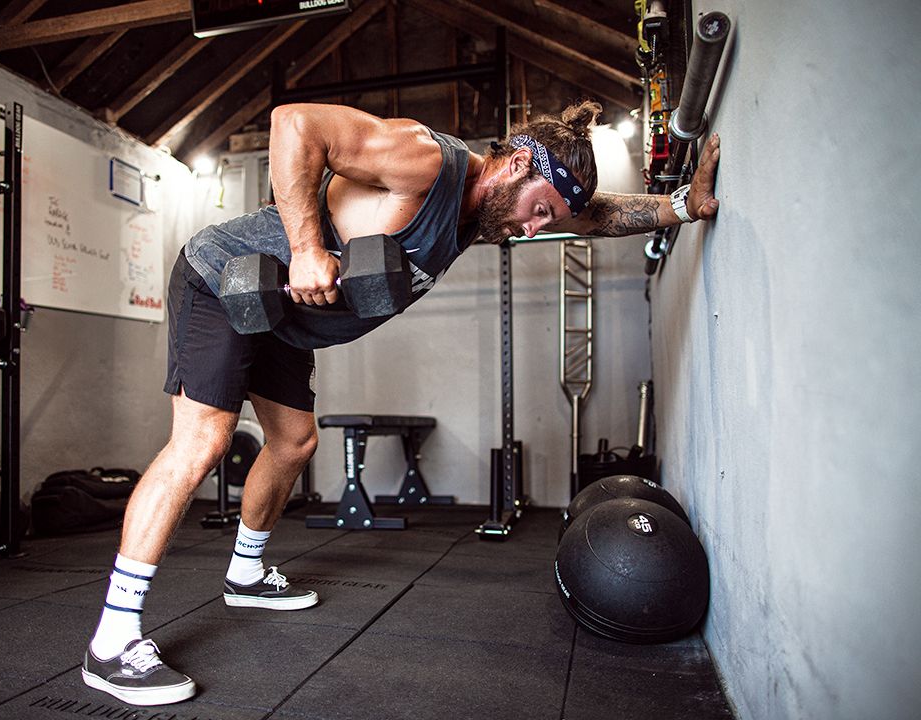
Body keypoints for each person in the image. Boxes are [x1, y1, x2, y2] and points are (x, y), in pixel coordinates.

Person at [81, 100, 722, 706]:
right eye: (540, 211)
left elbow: (602, 215)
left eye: (545, 221)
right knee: (203, 443)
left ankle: (245, 576)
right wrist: (306, 248)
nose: (535, 228)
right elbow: (295, 123)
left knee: (295, 442)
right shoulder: (425, 160)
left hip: (282, 320)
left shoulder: (489, 211)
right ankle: (111, 641)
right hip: (224, 283)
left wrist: (682, 206)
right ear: (520, 165)